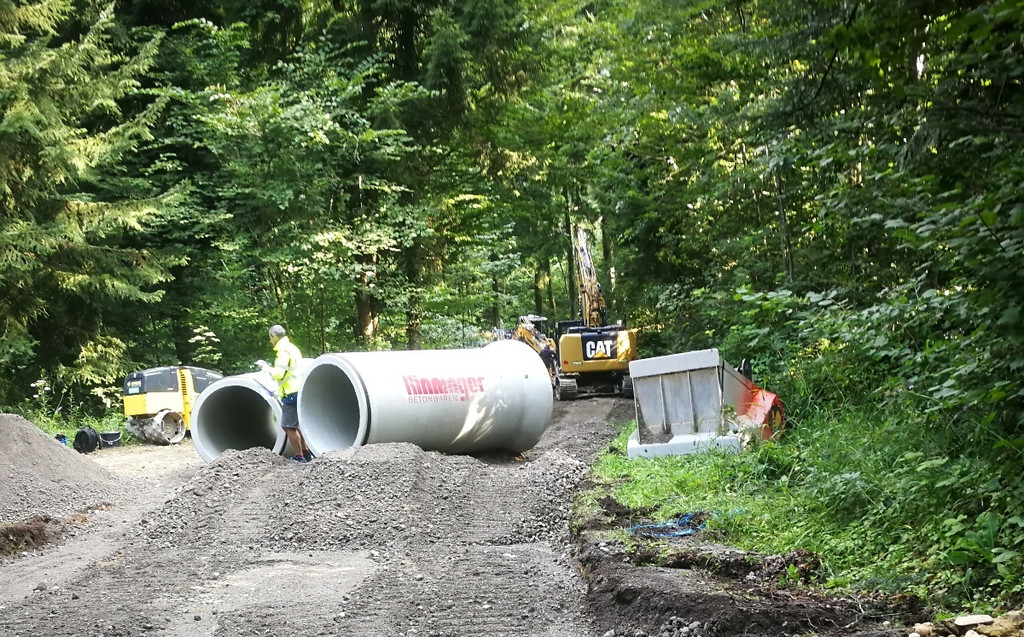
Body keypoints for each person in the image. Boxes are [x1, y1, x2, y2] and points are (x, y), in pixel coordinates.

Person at [258, 324, 311, 463]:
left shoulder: (283, 351)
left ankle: (299, 457)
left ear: (273, 336)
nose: (270, 341)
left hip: (290, 392)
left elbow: (279, 374)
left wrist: (266, 368)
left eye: (270, 338)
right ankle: (306, 453)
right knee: (297, 424)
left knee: (287, 426)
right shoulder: (293, 348)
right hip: (298, 390)